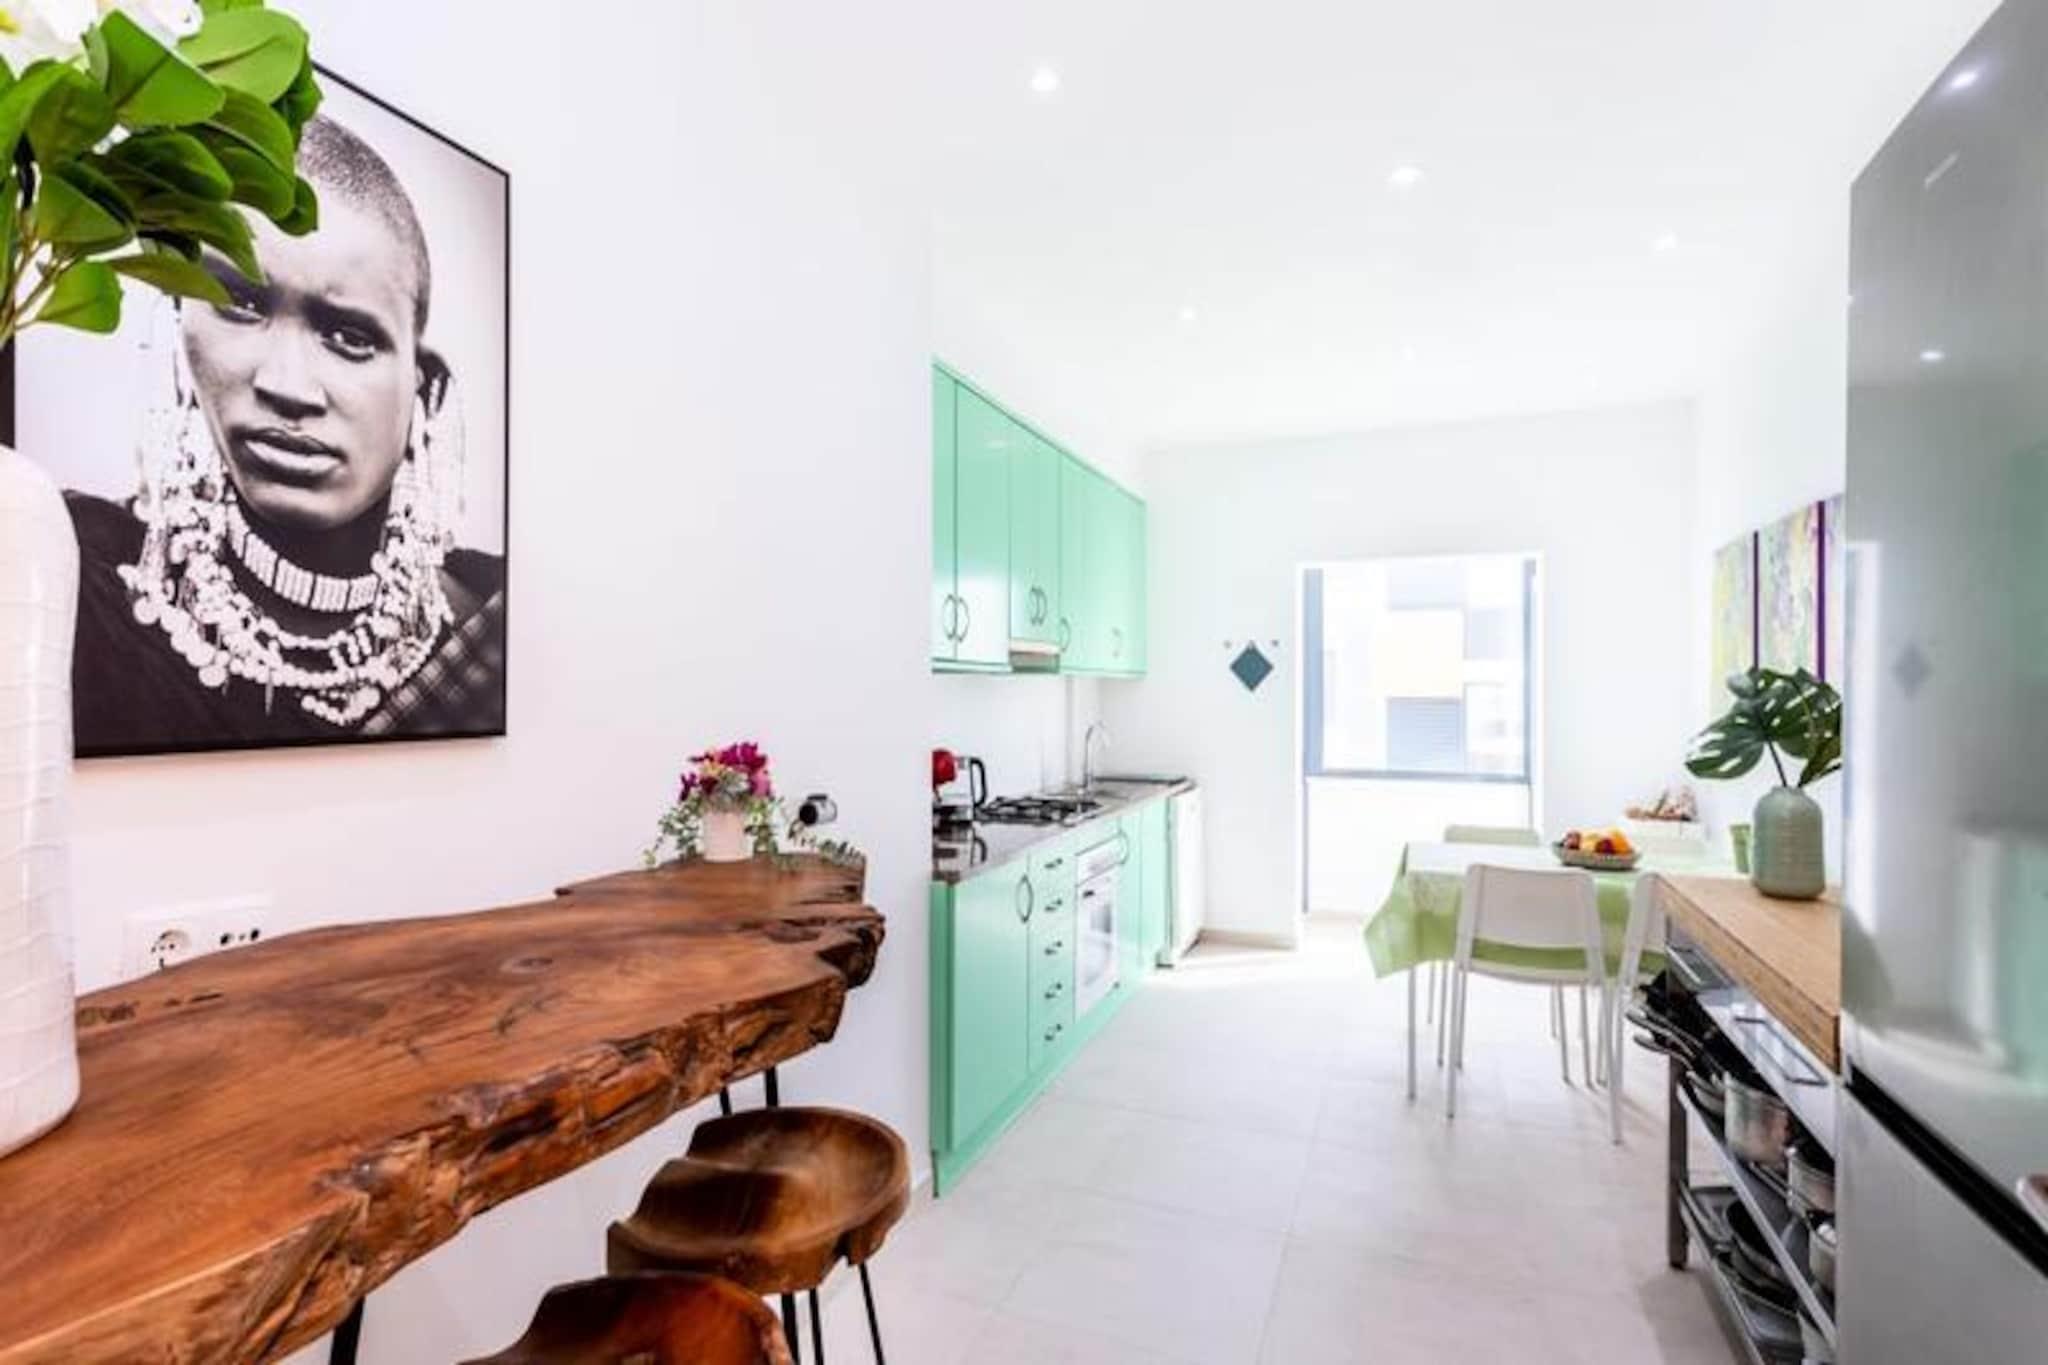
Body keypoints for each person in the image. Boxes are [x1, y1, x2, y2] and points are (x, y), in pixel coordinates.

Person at [66, 117, 505, 755]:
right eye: (240, 304)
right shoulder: (76, 577)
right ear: (179, 320)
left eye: (350, 337)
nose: (288, 386)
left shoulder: (492, 617)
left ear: (422, 384)